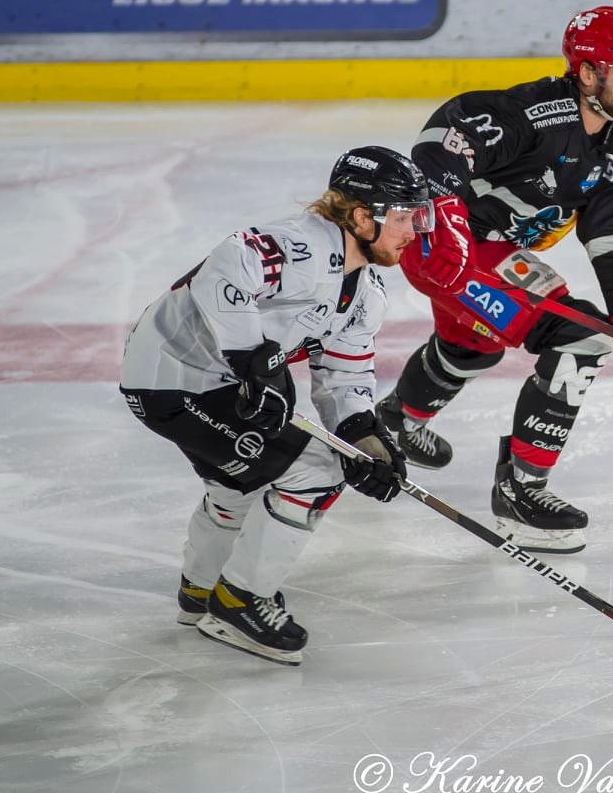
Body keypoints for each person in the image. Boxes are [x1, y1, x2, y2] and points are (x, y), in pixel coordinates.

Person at [376, 5, 613, 555]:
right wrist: (445, 222)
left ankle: (397, 421)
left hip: (495, 252)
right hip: (445, 250)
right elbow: (441, 140)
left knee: (472, 346)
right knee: (584, 338)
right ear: (588, 72)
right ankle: (521, 490)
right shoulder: (533, 114)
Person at [119, 146, 430, 666]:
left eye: (419, 216)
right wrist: (248, 357)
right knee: (316, 471)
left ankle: (202, 594)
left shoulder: (368, 291)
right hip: (175, 379)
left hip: (217, 384)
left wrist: (363, 438)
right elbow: (226, 266)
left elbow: (344, 373)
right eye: (403, 216)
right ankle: (238, 601)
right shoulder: (303, 244)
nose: (414, 230)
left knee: (239, 481)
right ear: (360, 217)